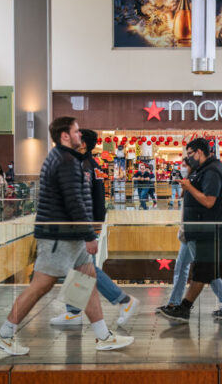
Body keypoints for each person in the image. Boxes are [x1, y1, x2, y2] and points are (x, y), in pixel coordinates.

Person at [0, 117, 133, 355]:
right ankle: (4, 334)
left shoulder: (64, 158)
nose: (81, 136)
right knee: (40, 286)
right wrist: (89, 235)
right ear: (65, 136)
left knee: (84, 283)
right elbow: (73, 202)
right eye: (77, 132)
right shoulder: (66, 161)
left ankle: (103, 336)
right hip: (60, 237)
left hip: (69, 236)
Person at [50, 128, 140, 328]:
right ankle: (73, 312)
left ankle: (124, 300)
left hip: (80, 226)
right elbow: (98, 200)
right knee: (80, 268)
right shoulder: (92, 165)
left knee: (86, 269)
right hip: (83, 225)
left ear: (82, 145)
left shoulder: (83, 166)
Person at [159, 138, 222, 322]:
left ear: (199, 152)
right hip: (208, 228)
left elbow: (209, 201)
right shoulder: (206, 170)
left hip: (210, 230)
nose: (188, 158)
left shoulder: (212, 171)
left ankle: (184, 308)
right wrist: (189, 187)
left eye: (190, 154)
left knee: (203, 271)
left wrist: (189, 187)